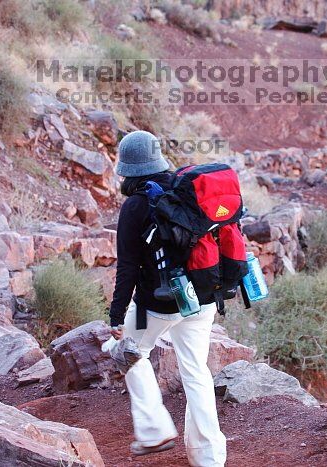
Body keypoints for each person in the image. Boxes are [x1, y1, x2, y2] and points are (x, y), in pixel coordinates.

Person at [109, 130, 227, 467]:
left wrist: (117, 315)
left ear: (127, 168)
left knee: (129, 352)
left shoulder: (135, 205)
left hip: (162, 302)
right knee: (195, 371)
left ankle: (153, 430)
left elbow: (128, 267)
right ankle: (209, 457)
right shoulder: (184, 189)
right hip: (204, 297)